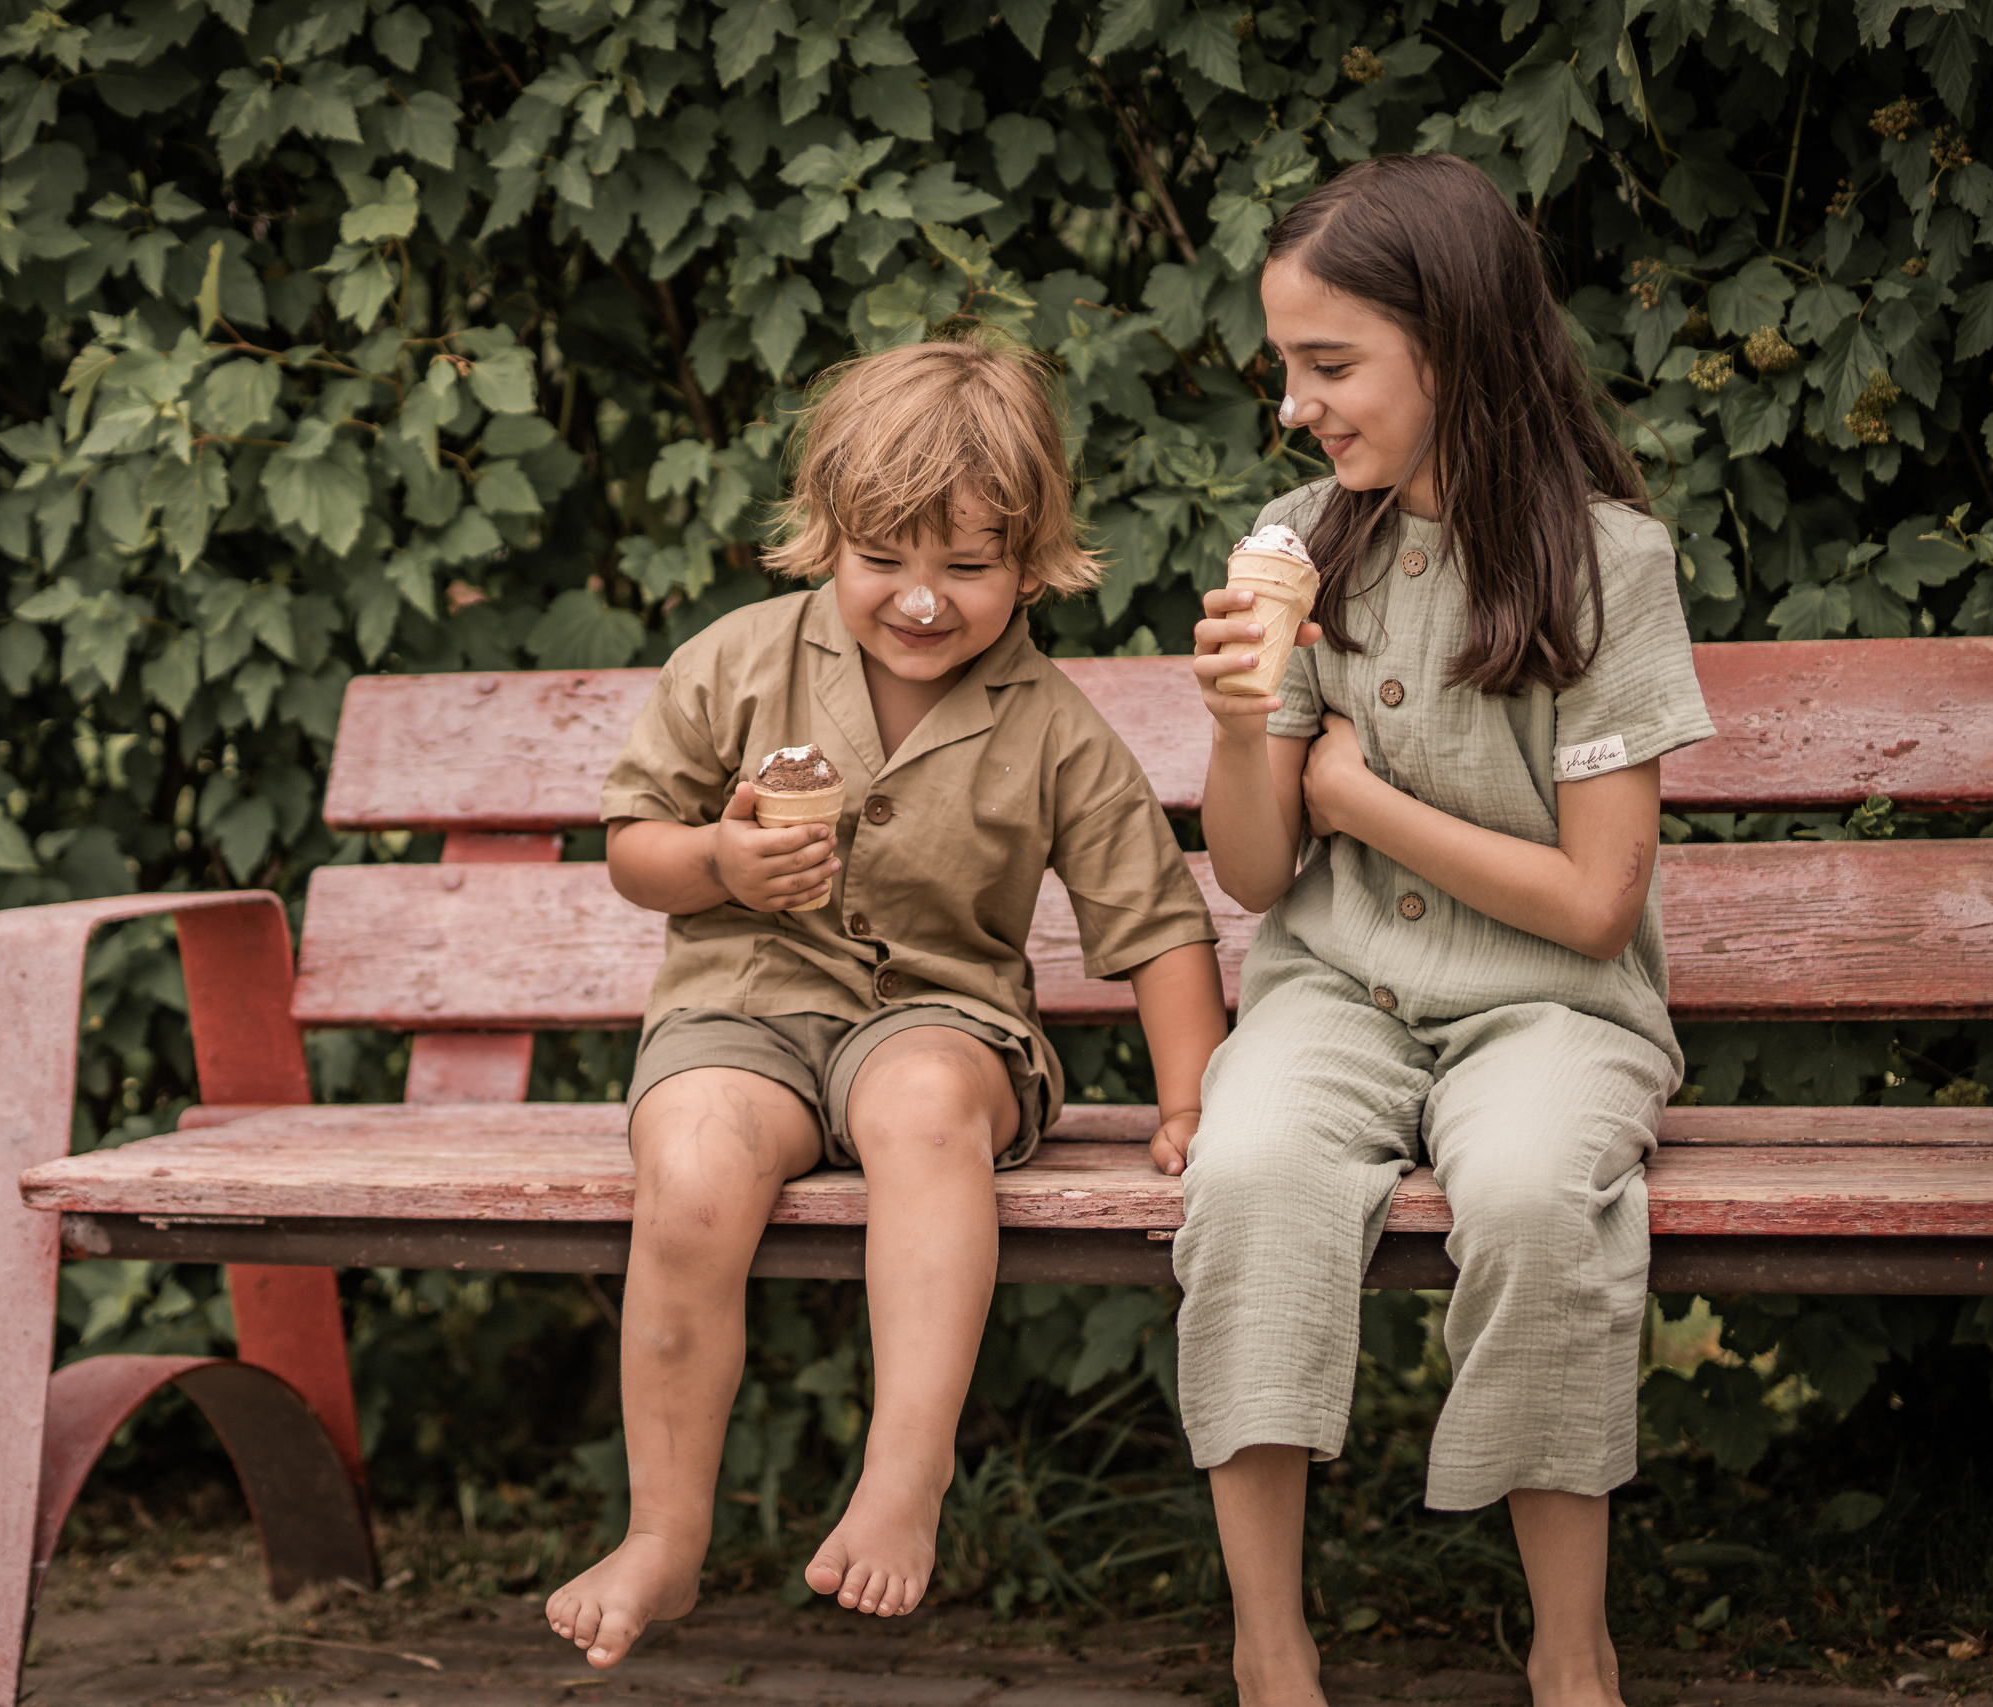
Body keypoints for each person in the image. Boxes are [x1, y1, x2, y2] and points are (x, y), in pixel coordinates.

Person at [548, 333, 1230, 1668]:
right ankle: (665, 1533)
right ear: (827, 538)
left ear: (1031, 563)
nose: (922, 600)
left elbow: (1153, 926)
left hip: (946, 1024)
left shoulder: (1052, 728)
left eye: (967, 567)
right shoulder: (738, 663)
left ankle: (904, 1480)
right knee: (688, 1170)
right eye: (887, 559)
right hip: (739, 1008)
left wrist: (1192, 1099)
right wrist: (721, 863)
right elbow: (637, 853)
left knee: (922, 1107)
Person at [1175, 152, 1713, 1707]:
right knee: (1253, 1173)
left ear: (1456, 343)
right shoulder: (1298, 539)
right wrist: (1237, 730)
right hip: (1333, 994)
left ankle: (1571, 1647)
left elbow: (1599, 906)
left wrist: (1357, 790)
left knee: (1542, 1197)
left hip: (1555, 1005)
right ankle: (1271, 1651)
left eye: (1329, 366)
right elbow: (1263, 876)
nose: (1296, 406)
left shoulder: (1606, 564)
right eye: (1286, 367)